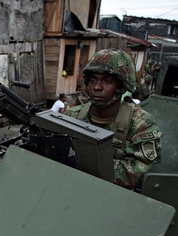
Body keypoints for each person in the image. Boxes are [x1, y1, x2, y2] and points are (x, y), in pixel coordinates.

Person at [64, 48, 162, 190]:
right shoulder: (72, 116)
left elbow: (137, 173)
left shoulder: (141, 124)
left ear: (121, 86)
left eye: (107, 81)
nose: (97, 87)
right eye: (92, 80)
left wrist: (83, 163)